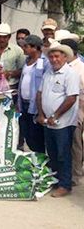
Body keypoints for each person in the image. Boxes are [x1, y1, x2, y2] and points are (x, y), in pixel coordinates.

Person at [36, 42, 80, 197]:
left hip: (63, 122)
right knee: (52, 153)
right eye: (51, 56)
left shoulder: (70, 74)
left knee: (63, 154)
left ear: (65, 57)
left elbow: (71, 98)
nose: (54, 59)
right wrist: (41, 114)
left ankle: (65, 185)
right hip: (48, 122)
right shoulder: (48, 72)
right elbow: (40, 94)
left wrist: (55, 116)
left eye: (57, 56)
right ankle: (55, 180)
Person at [17, 35, 49, 153]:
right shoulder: (27, 61)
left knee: (36, 135)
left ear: (35, 48)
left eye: (26, 46)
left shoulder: (45, 63)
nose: (23, 49)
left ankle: (40, 160)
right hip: (24, 103)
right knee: (27, 134)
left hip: (35, 105)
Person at [60, 39, 84, 185]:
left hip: (78, 110)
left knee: (76, 143)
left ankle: (75, 174)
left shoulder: (81, 68)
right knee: (66, 143)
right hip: (64, 110)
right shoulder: (63, 67)